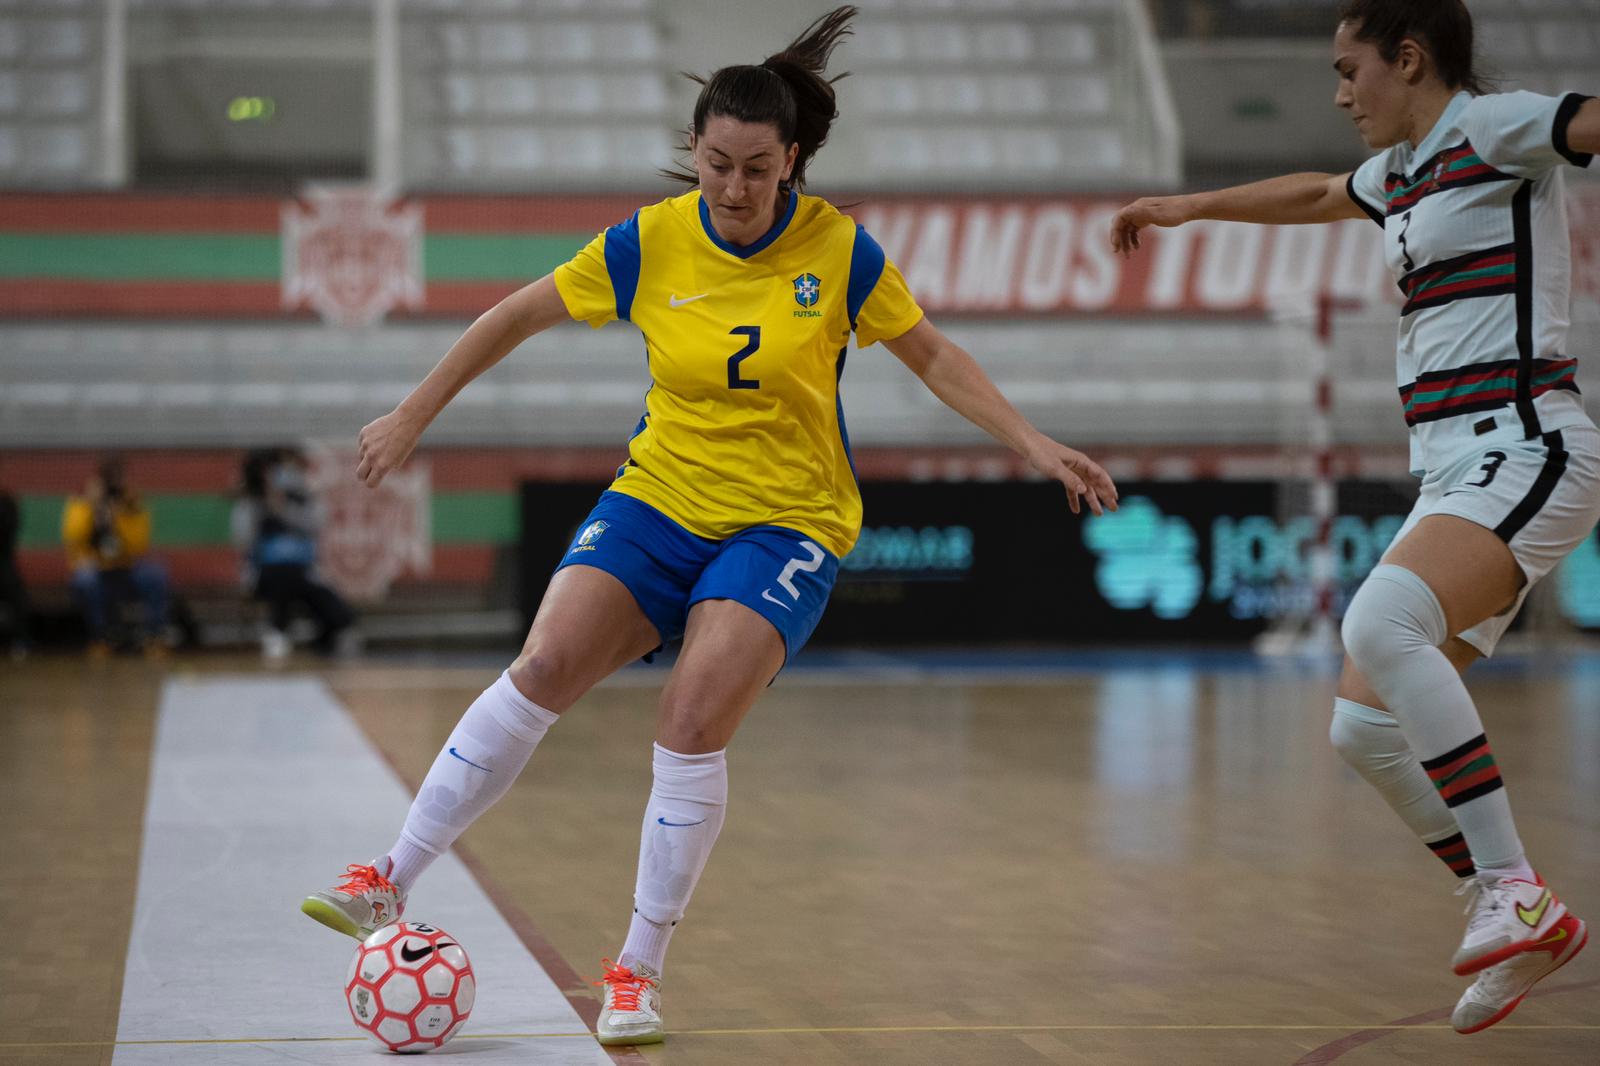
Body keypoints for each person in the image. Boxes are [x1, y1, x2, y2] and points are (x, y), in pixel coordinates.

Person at [300, 4, 1117, 1047]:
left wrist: (1033, 441)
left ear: (793, 164)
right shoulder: (647, 243)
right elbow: (515, 312)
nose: (735, 189)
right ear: (693, 151)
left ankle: (634, 972)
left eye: (758, 169)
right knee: (545, 662)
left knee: (689, 718)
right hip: (658, 496)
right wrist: (414, 410)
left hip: (788, 522)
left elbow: (933, 358)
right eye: (718, 164)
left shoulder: (838, 250)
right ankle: (388, 879)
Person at [1111, 0, 1599, 1036]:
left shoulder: (1495, 124)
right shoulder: (1406, 171)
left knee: (1380, 624)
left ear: (1407, 58)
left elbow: (1585, 122)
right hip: (1454, 470)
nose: (1337, 94)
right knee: (1360, 723)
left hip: (1528, 443)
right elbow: (1316, 194)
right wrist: (1185, 206)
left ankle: (1512, 883)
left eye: (1347, 70)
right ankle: (1509, 906)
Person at [232, 447, 355, 658]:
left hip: (304, 572)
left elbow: (316, 524)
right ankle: (276, 631)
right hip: (270, 574)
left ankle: (322, 643)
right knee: (282, 581)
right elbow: (244, 541)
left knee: (338, 613)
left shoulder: (304, 497)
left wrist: (283, 508)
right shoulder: (252, 504)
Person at [61, 457, 171, 657]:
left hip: (126, 567)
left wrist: (121, 513)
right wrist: (91, 507)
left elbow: (139, 545)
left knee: (155, 575)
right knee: (85, 581)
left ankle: (154, 637)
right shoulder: (80, 504)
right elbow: (73, 537)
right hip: (97, 570)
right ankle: (100, 637)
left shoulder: (133, 505)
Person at [0, 484, 30, 658]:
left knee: (14, 589)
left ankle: (20, 640)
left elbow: (9, 534)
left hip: (4, 562)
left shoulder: (6, 503)